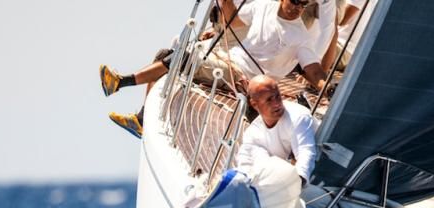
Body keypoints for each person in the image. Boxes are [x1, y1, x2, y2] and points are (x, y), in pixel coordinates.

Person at [102, 0, 330, 139]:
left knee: (182, 58)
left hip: (242, 77)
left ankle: (121, 82)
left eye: (304, 4)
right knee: (166, 55)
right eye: (295, 1)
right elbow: (233, 20)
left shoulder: (300, 36)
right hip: (223, 59)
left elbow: (313, 70)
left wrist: (326, 87)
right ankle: (142, 119)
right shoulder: (264, 7)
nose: (298, 7)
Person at [235, 75, 318, 185]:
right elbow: (245, 163)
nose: (277, 104)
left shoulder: (299, 117)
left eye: (278, 96)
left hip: (318, 175)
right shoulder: (252, 133)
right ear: (254, 104)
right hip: (285, 181)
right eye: (269, 100)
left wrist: (296, 183)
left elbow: (305, 153)